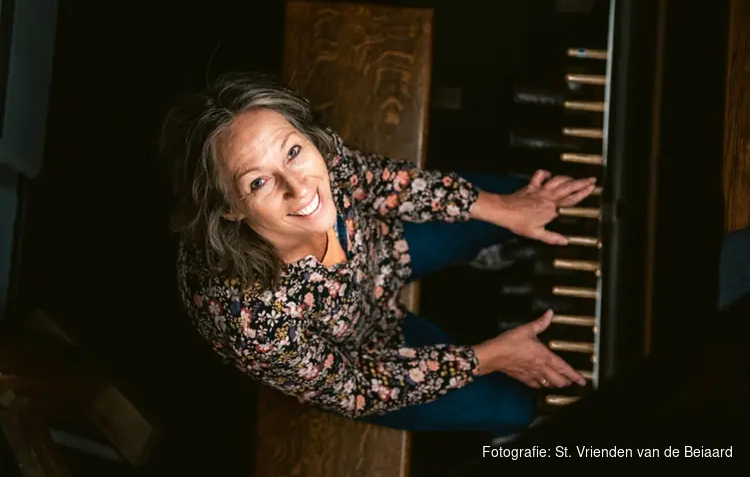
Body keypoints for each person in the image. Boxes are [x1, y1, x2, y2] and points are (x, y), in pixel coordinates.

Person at [157, 72, 596, 438]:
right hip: (364, 348)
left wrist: (504, 210)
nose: (299, 186)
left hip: (382, 248)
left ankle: (491, 244)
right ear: (230, 208)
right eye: (258, 182)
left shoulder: (314, 150)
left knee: (507, 198)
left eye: (293, 152)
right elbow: (354, 386)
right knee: (514, 409)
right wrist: (491, 357)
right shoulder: (246, 317)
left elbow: (379, 181)